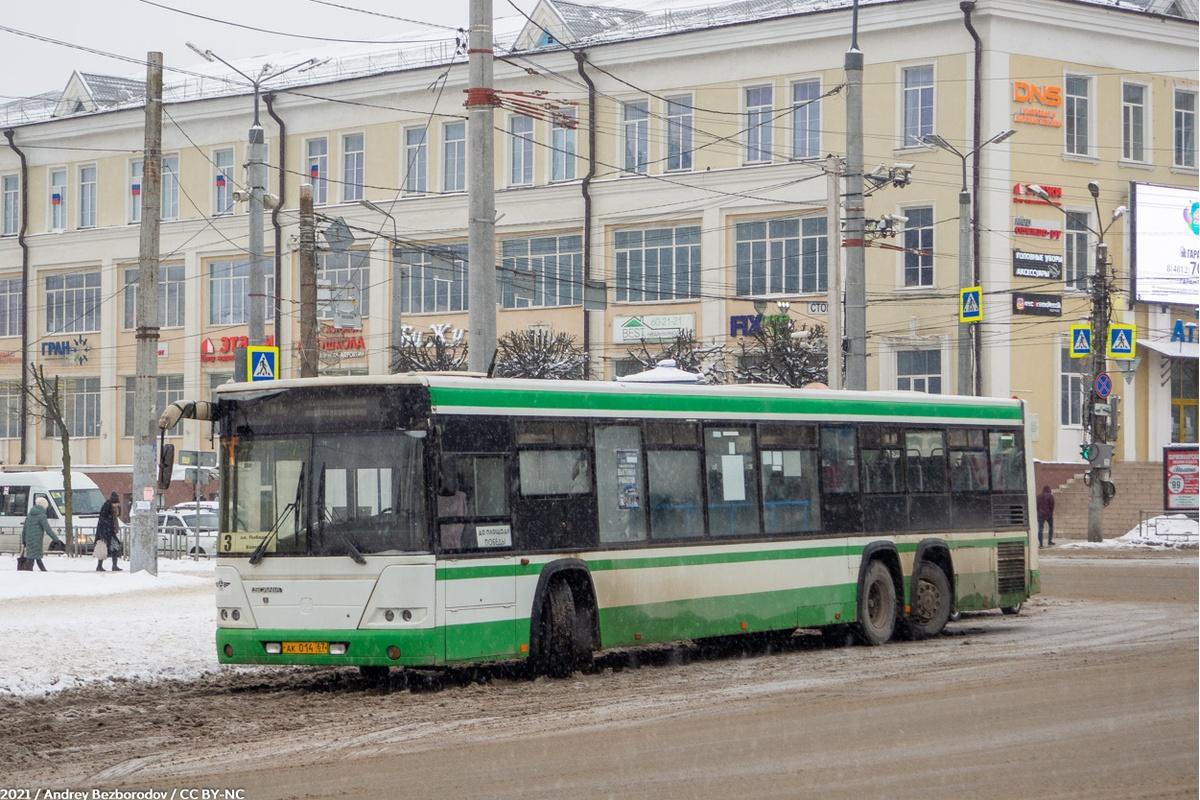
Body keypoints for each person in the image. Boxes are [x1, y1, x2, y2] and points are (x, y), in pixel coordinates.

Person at [21, 496, 62, 572]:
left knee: (33, 557)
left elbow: (24, 529)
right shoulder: (42, 516)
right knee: (34, 558)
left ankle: (34, 571)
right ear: (43, 506)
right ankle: (38, 572)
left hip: (29, 540)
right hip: (37, 541)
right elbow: (48, 529)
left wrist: (24, 540)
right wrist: (56, 539)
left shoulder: (29, 515)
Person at [95, 491, 123, 572]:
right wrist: (103, 534)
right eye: (116, 503)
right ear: (113, 502)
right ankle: (100, 566)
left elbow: (116, 516)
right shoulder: (106, 507)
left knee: (114, 548)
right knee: (103, 549)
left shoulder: (112, 508)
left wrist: (118, 508)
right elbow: (103, 521)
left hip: (110, 532)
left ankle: (113, 566)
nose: (117, 505)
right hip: (105, 533)